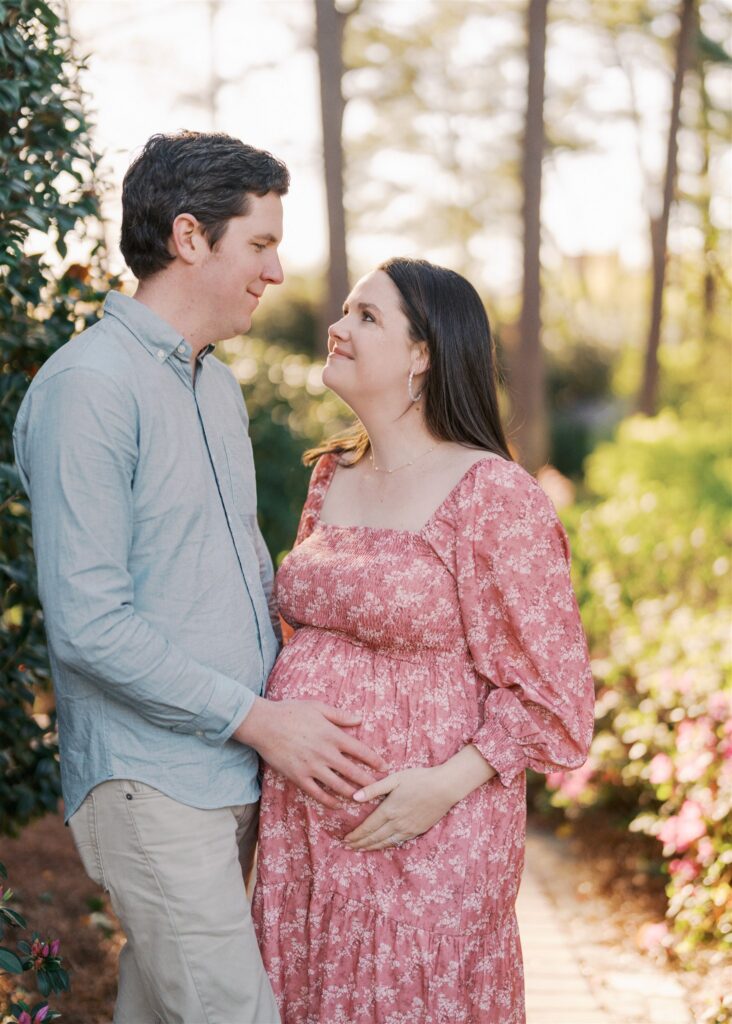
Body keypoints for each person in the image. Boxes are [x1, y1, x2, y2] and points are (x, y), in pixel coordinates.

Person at [13, 130, 384, 1024]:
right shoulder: (89, 389)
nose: (278, 270)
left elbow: (236, 578)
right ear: (189, 238)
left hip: (234, 774)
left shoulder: (215, 387)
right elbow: (90, 625)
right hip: (153, 784)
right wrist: (261, 719)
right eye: (259, 242)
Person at [252, 257, 596, 1024]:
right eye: (344, 311)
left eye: (367, 317)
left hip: (430, 838)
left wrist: (438, 787)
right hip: (303, 835)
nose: (337, 328)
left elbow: (556, 696)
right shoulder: (331, 475)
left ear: (423, 355)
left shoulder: (494, 495)